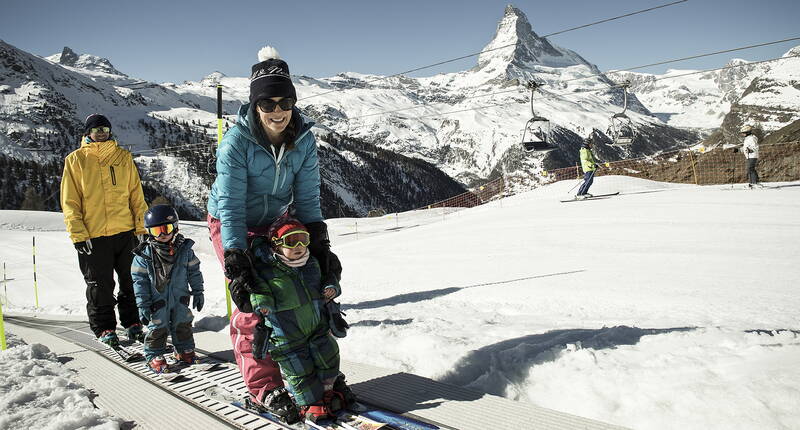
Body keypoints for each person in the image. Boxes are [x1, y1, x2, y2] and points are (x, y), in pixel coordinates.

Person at [206, 46, 343, 422]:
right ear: (255, 105)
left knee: (302, 292)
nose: (277, 111)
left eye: (285, 102)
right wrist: (237, 258)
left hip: (275, 221)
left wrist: (319, 244)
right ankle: (264, 387)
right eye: (267, 103)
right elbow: (232, 205)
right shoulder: (236, 143)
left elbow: (309, 197)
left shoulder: (303, 138)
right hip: (231, 221)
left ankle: (314, 372)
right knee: (255, 303)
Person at [248, 216, 354, 422]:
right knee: (300, 372)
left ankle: (327, 392)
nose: (298, 246)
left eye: (302, 239)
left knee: (329, 355)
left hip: (316, 328)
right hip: (287, 337)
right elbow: (258, 289)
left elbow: (325, 281)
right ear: (276, 245)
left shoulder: (311, 263)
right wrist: (262, 303)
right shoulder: (266, 270)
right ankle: (309, 402)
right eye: (290, 241)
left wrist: (331, 288)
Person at [60, 114, 149, 346]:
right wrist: (78, 234)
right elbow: (70, 201)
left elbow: (135, 195)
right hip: (94, 235)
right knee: (100, 284)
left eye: (105, 128)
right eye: (96, 129)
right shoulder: (76, 160)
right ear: (87, 133)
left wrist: (141, 227)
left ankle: (133, 323)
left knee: (132, 280)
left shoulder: (123, 157)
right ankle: (105, 328)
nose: (101, 132)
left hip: (125, 232)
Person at [131, 205, 205, 372]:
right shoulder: (144, 256)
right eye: (157, 231)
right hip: (157, 300)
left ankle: (184, 350)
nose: (163, 235)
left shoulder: (185, 251)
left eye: (167, 229)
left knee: (183, 322)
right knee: (158, 326)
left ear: (176, 227)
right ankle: (154, 355)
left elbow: (194, 272)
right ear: (150, 232)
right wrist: (142, 304)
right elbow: (139, 282)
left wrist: (198, 291)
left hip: (180, 297)